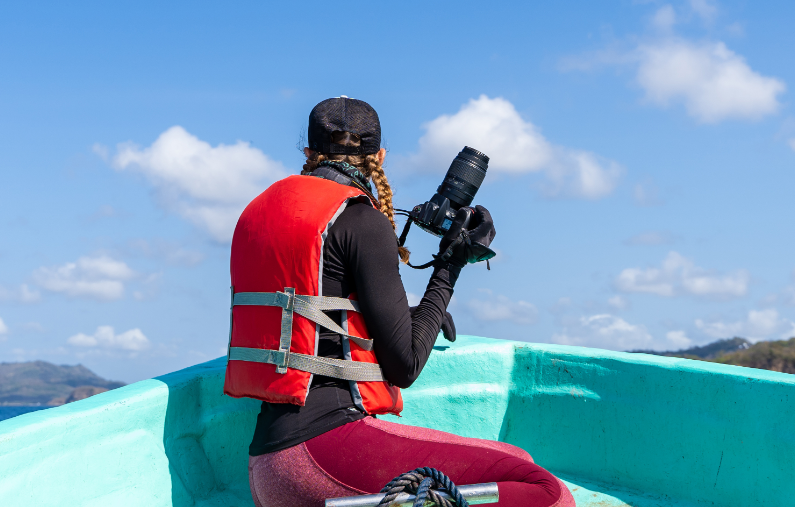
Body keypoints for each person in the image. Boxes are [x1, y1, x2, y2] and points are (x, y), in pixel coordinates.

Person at [225, 97, 574, 507]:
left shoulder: (258, 212)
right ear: (380, 157)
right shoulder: (360, 219)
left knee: (515, 461)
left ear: (307, 152)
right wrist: (450, 265)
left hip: (268, 466)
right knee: (548, 492)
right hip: (322, 453)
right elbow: (404, 366)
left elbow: (313, 315)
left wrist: (413, 316)